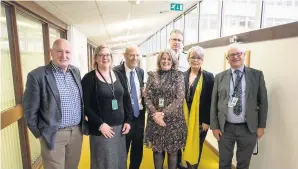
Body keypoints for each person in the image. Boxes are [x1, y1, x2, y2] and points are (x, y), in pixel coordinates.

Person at [23, 39, 85, 169]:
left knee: (72, 166)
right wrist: (41, 134)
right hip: (53, 134)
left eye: (67, 52)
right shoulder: (37, 75)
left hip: (76, 132)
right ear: (51, 52)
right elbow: (29, 111)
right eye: (59, 51)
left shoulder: (75, 72)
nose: (64, 55)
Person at [210, 43, 268, 169]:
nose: (235, 57)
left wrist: (261, 126)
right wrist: (214, 126)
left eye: (239, 54)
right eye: (232, 55)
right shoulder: (219, 77)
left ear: (244, 55)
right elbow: (214, 103)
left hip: (248, 128)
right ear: (227, 58)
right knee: (224, 162)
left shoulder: (256, 75)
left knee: (243, 163)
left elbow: (263, 103)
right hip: (225, 128)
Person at [82, 44, 133, 169]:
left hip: (120, 129)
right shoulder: (89, 78)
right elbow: (86, 106)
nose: (105, 58)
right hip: (102, 130)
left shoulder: (119, 75)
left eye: (108, 55)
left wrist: (128, 120)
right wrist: (100, 124)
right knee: (104, 163)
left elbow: (126, 98)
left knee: (119, 161)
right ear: (95, 58)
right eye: (101, 55)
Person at [144, 49, 187, 169]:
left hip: (173, 121)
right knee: (157, 150)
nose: (166, 61)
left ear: (173, 61)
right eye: (163, 58)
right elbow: (146, 96)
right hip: (155, 120)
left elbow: (179, 98)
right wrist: (155, 113)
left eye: (169, 59)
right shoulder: (152, 75)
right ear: (159, 60)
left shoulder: (178, 76)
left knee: (172, 151)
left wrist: (162, 114)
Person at [114, 45, 146, 169]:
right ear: (125, 55)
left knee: (138, 148)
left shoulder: (140, 72)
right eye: (132, 55)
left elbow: (140, 91)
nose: (135, 58)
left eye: (137, 55)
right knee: (123, 148)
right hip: (124, 117)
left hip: (139, 116)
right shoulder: (116, 72)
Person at [183, 46, 214, 169]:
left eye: (199, 58)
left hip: (201, 120)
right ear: (188, 59)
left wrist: (207, 120)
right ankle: (186, 164)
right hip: (184, 118)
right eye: (193, 57)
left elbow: (211, 100)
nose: (196, 60)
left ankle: (193, 167)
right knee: (185, 143)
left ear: (202, 60)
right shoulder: (182, 75)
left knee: (197, 145)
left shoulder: (208, 77)